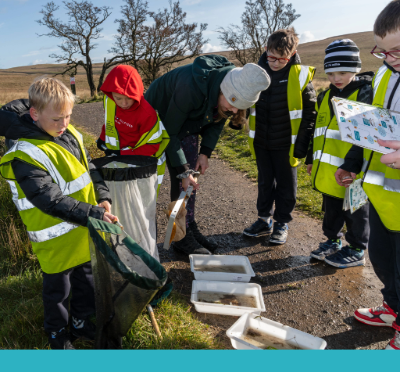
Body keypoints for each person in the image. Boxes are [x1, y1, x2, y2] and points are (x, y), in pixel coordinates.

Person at [0, 78, 118, 350]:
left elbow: (88, 166)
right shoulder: (24, 154)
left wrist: (102, 196)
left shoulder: (68, 133)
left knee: (86, 279)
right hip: (54, 237)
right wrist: (94, 214)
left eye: (68, 116)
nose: (64, 124)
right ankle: (57, 334)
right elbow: (48, 199)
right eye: (57, 119)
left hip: (81, 227)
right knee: (58, 291)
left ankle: (79, 322)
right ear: (35, 114)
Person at [145, 55, 270, 255]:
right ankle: (179, 237)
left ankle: (189, 226)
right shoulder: (190, 87)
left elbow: (219, 118)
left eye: (239, 107)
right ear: (222, 90)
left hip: (190, 118)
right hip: (159, 116)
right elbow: (171, 132)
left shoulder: (225, 94)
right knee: (182, 178)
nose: (234, 110)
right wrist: (184, 171)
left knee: (191, 178)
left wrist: (205, 153)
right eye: (231, 102)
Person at [335, 0, 400, 350]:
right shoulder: (385, 74)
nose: (390, 60)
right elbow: (370, 126)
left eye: (398, 51)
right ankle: (393, 307)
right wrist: (351, 163)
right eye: (384, 52)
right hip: (382, 193)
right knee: (383, 259)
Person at [243, 28, 317, 244]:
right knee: (265, 182)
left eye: (281, 60)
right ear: (266, 50)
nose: (274, 63)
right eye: (271, 58)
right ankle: (264, 219)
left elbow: (310, 115)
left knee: (286, 185)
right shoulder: (256, 72)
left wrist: (302, 146)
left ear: (292, 54)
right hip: (261, 142)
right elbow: (244, 101)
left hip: (287, 143)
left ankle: (281, 223)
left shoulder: (301, 76)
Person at [306, 39, 373, 268]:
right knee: (331, 209)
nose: (336, 78)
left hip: (354, 171)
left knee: (356, 211)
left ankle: (356, 249)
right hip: (328, 169)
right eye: (331, 72)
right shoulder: (325, 96)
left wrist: (353, 165)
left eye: (343, 72)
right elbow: (318, 131)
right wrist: (309, 159)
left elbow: (366, 135)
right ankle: (332, 240)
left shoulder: (365, 94)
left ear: (355, 69)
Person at [96, 65, 169, 261]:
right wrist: (103, 139)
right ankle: (122, 249)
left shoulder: (147, 113)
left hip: (142, 167)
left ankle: (144, 250)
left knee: (141, 206)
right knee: (120, 204)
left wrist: (121, 153)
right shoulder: (111, 102)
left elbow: (152, 145)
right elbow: (108, 122)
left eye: (127, 98)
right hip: (119, 162)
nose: (122, 103)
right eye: (118, 98)